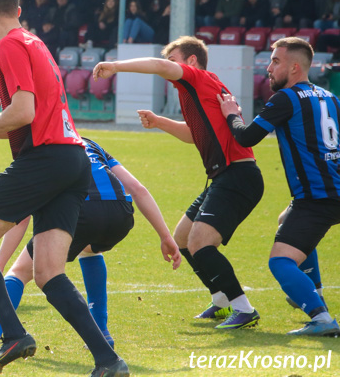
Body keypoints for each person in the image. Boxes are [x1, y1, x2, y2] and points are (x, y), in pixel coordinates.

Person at [0, 0, 127, 377]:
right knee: (48, 272)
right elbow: (26, 113)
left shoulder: (8, 45)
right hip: (73, 158)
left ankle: (13, 334)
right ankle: (109, 361)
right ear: (20, 10)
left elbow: (23, 112)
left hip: (45, 159)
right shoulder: (34, 42)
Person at [92, 35, 264, 330]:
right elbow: (192, 134)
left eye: (174, 61)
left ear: (191, 61)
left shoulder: (198, 78)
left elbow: (159, 66)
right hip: (224, 176)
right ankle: (222, 301)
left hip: (238, 175)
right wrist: (159, 121)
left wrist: (116, 65)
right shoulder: (196, 91)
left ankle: (244, 309)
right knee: (183, 238)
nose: (168, 68)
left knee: (200, 244)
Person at [0, 137, 180, 356]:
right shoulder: (90, 144)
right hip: (121, 214)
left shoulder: (44, 149)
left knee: (19, 272)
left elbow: (22, 217)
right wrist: (165, 235)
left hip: (82, 212)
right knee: (89, 250)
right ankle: (102, 331)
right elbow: (137, 188)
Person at [219, 37, 340, 336]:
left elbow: (246, 137)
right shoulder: (330, 97)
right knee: (285, 219)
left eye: (275, 61)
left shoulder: (286, 99)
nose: (269, 67)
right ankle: (315, 294)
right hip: (331, 191)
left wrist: (231, 113)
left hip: (316, 198)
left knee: (281, 262)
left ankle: (321, 317)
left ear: (295, 67)